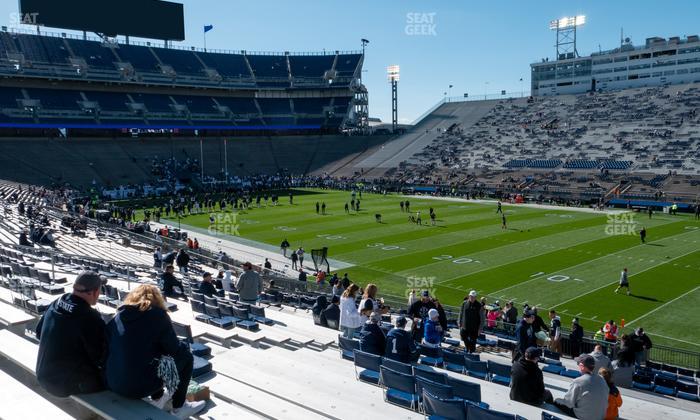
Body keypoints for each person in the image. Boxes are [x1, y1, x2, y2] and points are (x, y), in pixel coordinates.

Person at [105, 284, 205, 418]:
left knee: (145, 354)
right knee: (186, 357)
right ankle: (179, 408)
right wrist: (184, 347)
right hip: (138, 388)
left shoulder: (118, 316)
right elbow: (174, 349)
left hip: (114, 382)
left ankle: (158, 398)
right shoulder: (158, 315)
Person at [35, 271, 107, 397]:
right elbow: (100, 356)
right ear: (95, 292)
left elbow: (38, 333)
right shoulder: (90, 317)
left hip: (42, 373)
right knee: (113, 379)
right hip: (63, 385)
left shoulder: (57, 302)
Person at [553, 354, 609, 420]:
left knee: (557, 401)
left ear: (582, 366)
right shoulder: (602, 380)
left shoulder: (579, 381)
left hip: (584, 417)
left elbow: (568, 403)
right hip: (600, 417)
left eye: (578, 363)